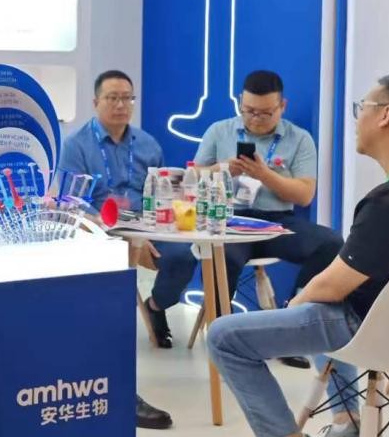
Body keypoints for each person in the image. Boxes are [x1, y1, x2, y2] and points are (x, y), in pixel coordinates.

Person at [208, 74, 389, 437]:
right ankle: (348, 423)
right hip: (386, 324)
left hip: (364, 326)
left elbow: (333, 285)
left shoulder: (388, 203)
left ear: (385, 115)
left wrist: (297, 303)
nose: (357, 119)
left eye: (361, 108)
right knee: (321, 301)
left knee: (224, 336)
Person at [146, 70, 343, 365]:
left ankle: (291, 327)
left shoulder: (300, 139)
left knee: (330, 243)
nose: (255, 119)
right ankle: (223, 337)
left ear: (282, 106)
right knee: (223, 257)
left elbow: (304, 195)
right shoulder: (220, 131)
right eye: (249, 111)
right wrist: (222, 169)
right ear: (240, 102)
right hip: (229, 220)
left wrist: (264, 174)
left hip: (276, 223)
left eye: (265, 113)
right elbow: (192, 178)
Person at [59, 70, 173, 430]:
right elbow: (71, 202)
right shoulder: (76, 146)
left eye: (127, 98)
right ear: (96, 102)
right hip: (98, 231)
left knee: (183, 258)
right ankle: (112, 384)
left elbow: (160, 194)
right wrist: (120, 232)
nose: (121, 105)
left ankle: (156, 307)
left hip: (145, 228)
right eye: (113, 98)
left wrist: (149, 228)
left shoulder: (148, 145)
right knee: (109, 289)